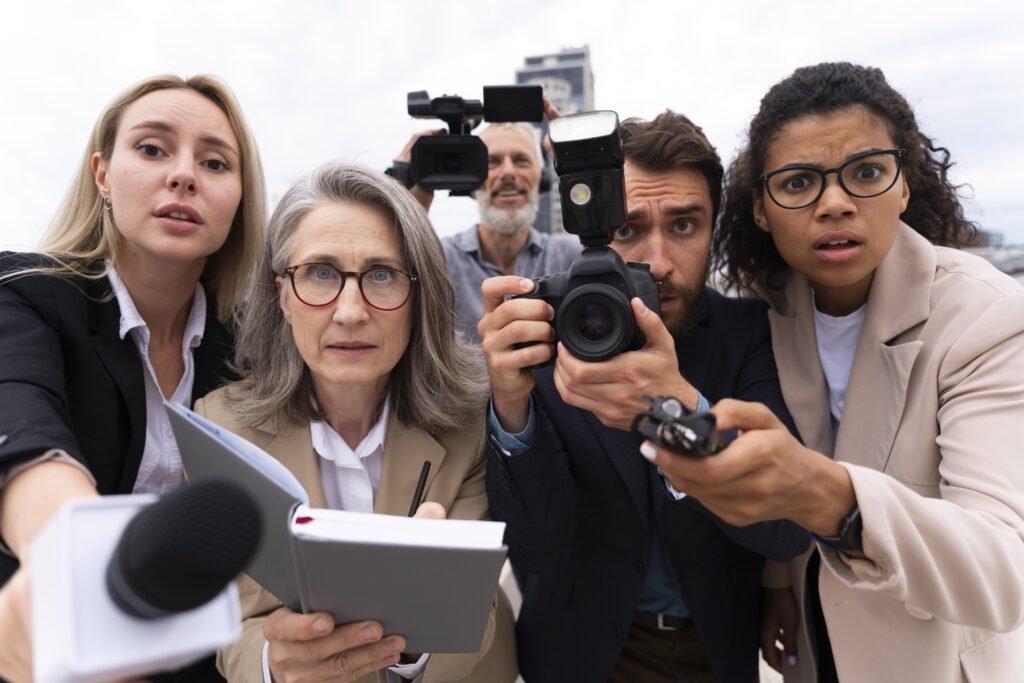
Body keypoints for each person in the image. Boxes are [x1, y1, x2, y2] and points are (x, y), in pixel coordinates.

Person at [643, 62, 1024, 682]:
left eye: (867, 173)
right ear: (760, 209)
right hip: (812, 654)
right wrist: (776, 584)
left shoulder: (986, 317)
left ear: (906, 184)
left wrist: (829, 496)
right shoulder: (769, 308)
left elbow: (1004, 571)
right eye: (798, 184)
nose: (835, 203)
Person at [480, 110, 810, 682]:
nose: (657, 263)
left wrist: (672, 412)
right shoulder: (556, 336)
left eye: (684, 226)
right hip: (579, 654)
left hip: (714, 645)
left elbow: (783, 528)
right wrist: (510, 406)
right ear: (597, 230)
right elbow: (536, 552)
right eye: (629, 229)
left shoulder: (750, 332)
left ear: (715, 230)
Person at [197, 161, 517, 683]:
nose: (349, 311)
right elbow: (236, 620)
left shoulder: (472, 420)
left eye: (382, 275)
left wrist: (416, 633)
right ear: (282, 296)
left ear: (420, 298)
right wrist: (273, 666)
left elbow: (477, 616)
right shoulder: (221, 430)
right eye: (321, 272)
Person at [0, 74, 266, 683]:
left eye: (215, 162)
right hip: (43, 647)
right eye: (152, 149)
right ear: (102, 175)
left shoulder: (251, 345)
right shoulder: (24, 295)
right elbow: (23, 426)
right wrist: (78, 580)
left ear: (239, 197)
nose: (183, 175)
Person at [391, 112, 579, 342]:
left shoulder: (572, 257)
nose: (508, 172)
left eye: (521, 160)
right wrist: (408, 201)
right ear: (472, 182)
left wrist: (578, 162)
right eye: (492, 162)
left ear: (542, 181)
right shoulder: (439, 261)